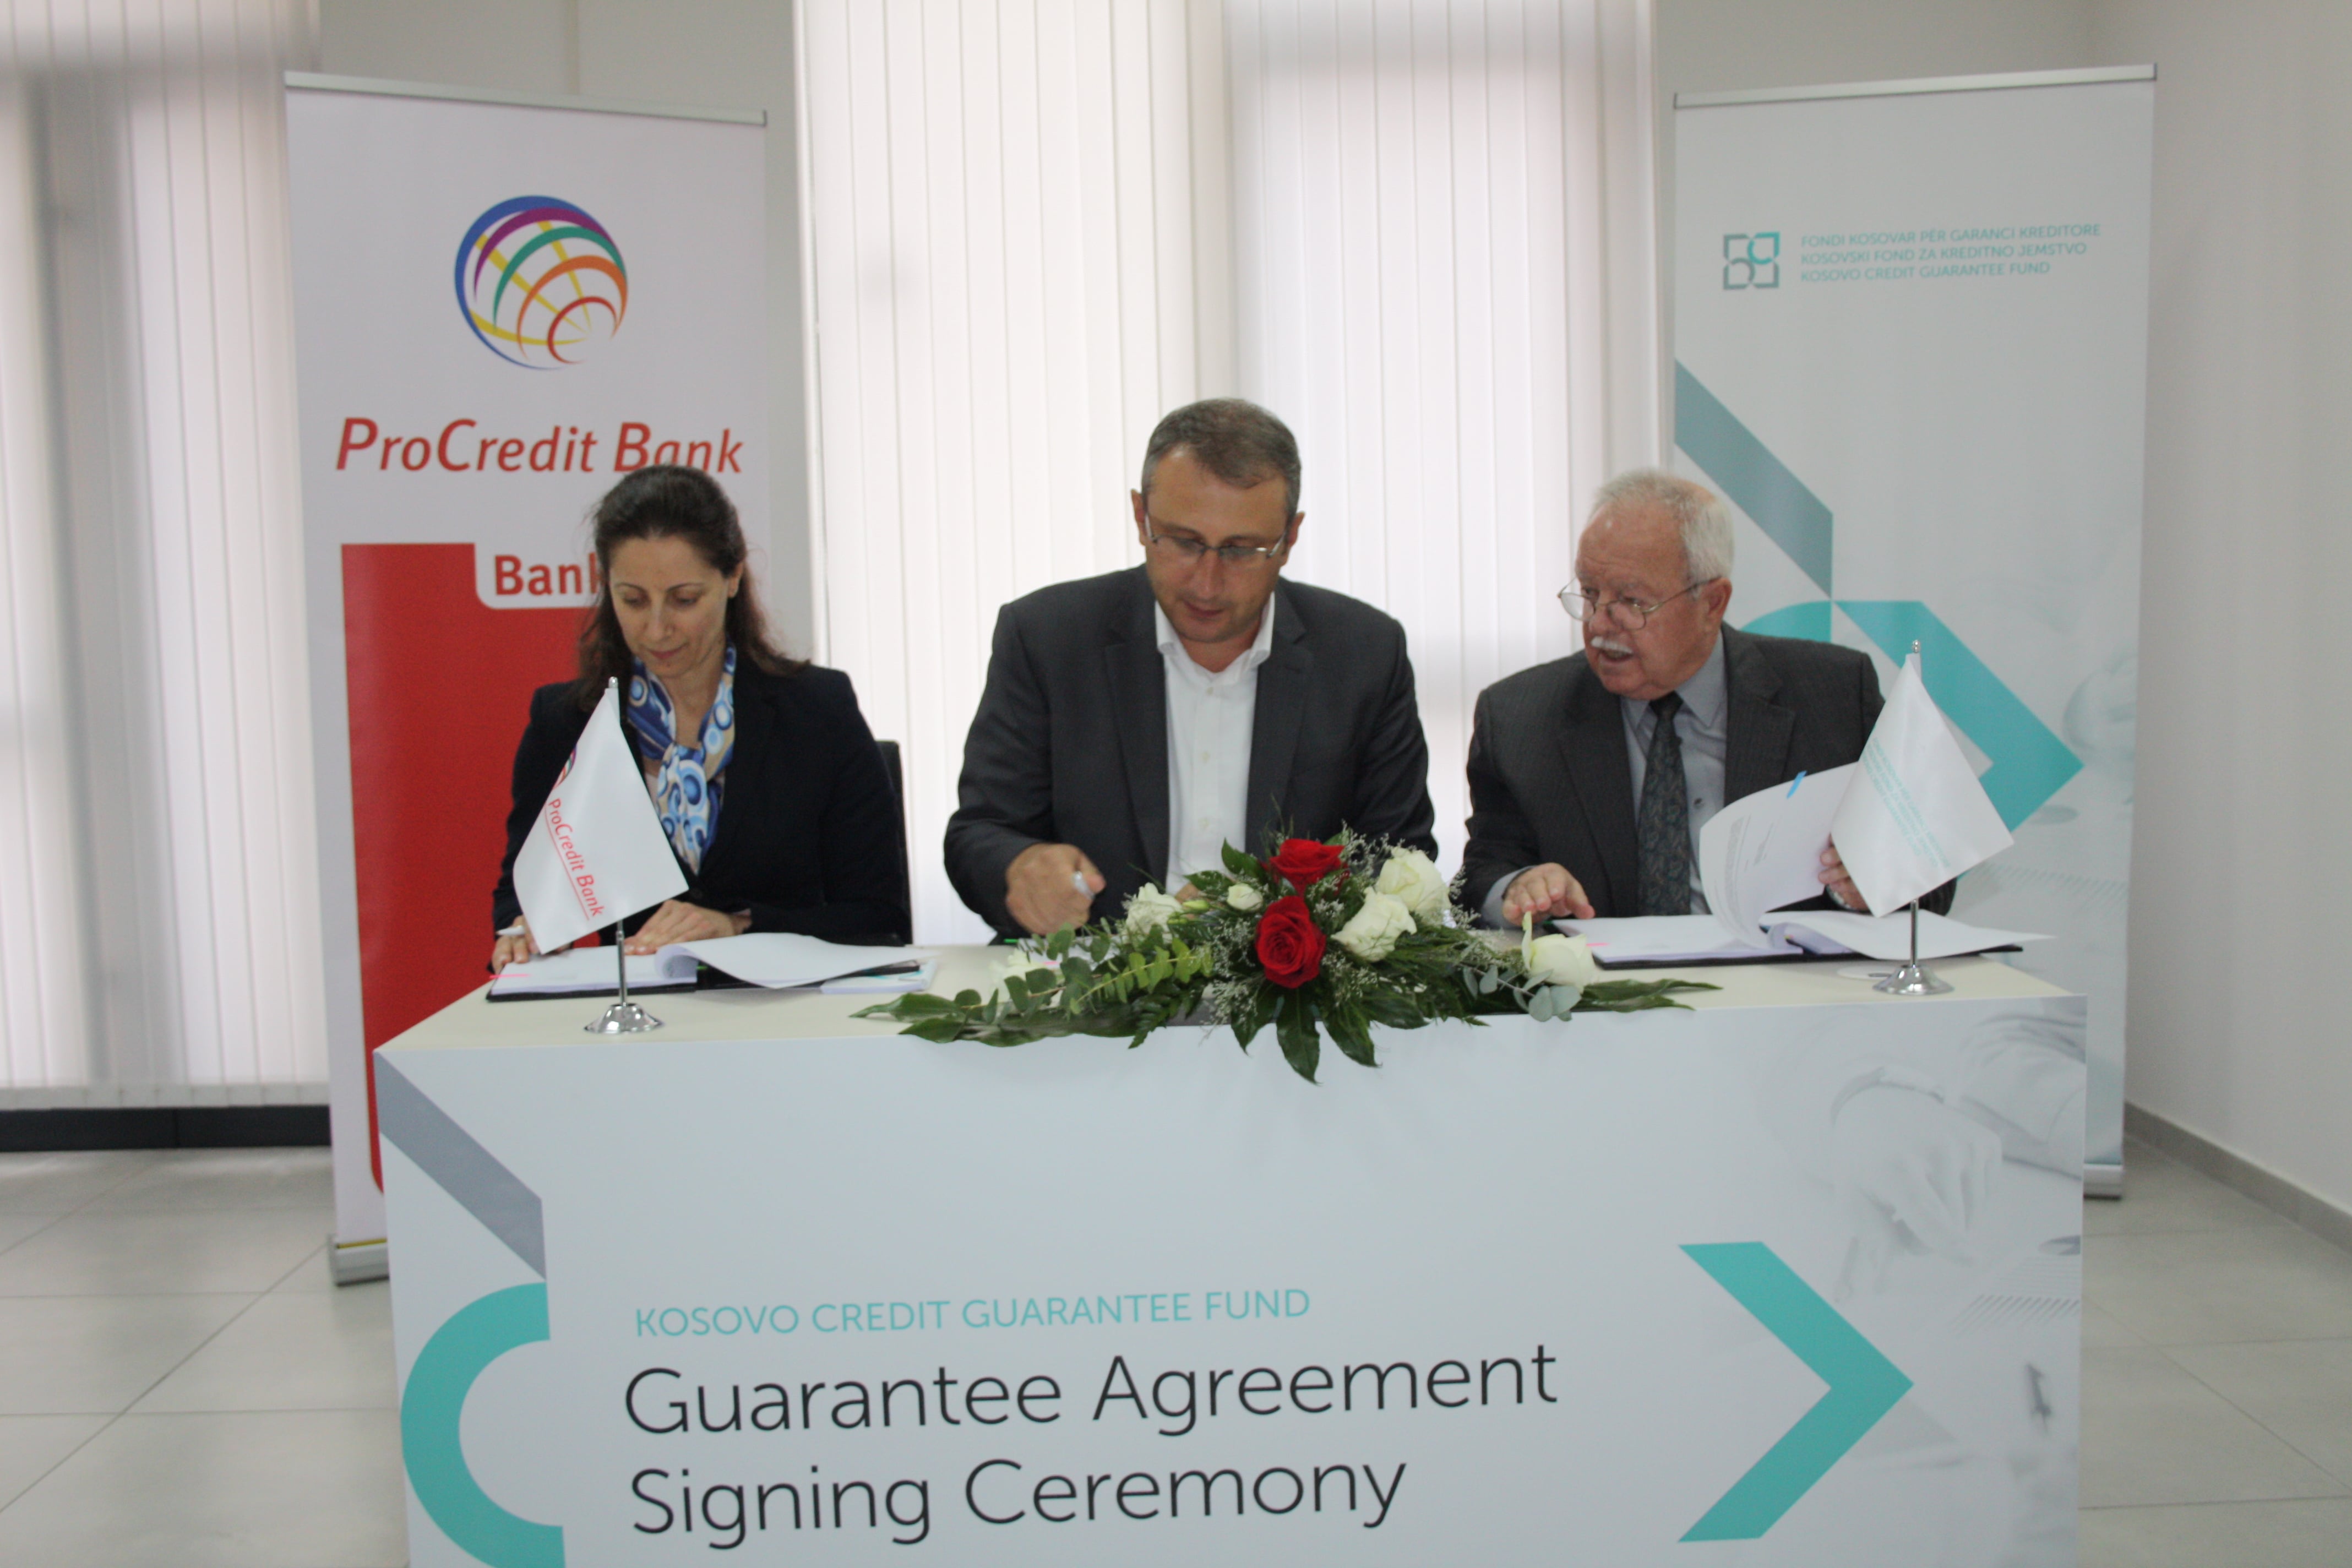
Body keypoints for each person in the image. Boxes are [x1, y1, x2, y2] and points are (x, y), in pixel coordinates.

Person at [945, 398, 1438, 937]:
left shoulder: (1364, 653)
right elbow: (981, 832)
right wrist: (1020, 866)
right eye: (1183, 542)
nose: (1206, 583)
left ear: (1289, 538)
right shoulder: (1047, 637)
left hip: (1290, 980)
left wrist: (1266, 917)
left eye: (1241, 549)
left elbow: (1400, 857)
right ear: (1141, 517)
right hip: (1091, 970)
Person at [1462, 469, 1950, 924]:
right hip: (1605, 987)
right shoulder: (1520, 718)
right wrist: (1520, 886)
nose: (1599, 623)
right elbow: (1483, 870)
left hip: (1789, 983)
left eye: (1632, 601)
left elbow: (1929, 869)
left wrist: (1869, 885)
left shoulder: (1834, 695)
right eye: (1590, 594)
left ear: (1712, 603)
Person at [491, 466, 907, 967]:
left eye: (684, 600)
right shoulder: (568, 723)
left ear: (732, 578)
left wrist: (739, 926)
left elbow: (879, 917)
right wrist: (523, 929)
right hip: (637, 1009)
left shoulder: (818, 710)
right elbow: (523, 895)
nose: (657, 629)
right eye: (633, 600)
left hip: (788, 1004)